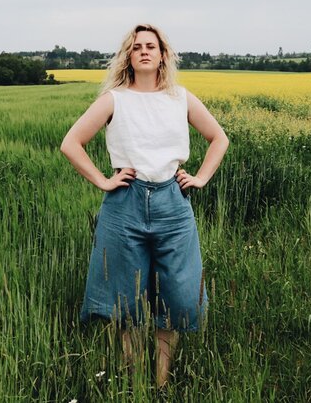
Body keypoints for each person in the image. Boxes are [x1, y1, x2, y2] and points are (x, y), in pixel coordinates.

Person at [60, 23, 229, 389]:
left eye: (151, 46)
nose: (144, 52)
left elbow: (219, 138)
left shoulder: (180, 97)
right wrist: (104, 181)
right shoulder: (114, 99)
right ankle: (132, 380)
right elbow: (71, 143)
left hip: (172, 202)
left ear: (163, 54)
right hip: (125, 204)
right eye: (137, 47)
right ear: (129, 56)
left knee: (179, 294)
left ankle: (162, 382)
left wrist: (200, 177)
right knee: (125, 297)